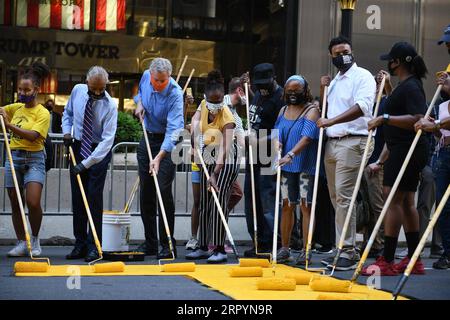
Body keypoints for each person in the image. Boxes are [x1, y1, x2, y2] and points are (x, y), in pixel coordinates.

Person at [362, 42, 429, 276]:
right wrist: (389, 90)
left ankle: (387, 259)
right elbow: (402, 108)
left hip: (406, 149)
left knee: (393, 200)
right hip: (403, 148)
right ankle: (414, 258)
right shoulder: (405, 85)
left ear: (398, 62)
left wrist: (384, 118)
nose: (388, 64)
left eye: (390, 60)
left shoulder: (411, 87)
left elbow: (418, 118)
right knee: (407, 201)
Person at [317, 36, 376, 271]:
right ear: (332, 57)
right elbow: (328, 111)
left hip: (354, 141)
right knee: (337, 198)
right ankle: (342, 247)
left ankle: (349, 250)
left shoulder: (363, 76)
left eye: (346, 50)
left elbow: (362, 108)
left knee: (344, 197)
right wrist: (324, 89)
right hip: (333, 142)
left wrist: (331, 120)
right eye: (338, 52)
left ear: (352, 51)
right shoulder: (335, 82)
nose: (343, 55)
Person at [63, 66, 118, 262]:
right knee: (78, 198)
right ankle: (79, 244)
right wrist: (66, 131)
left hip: (98, 152)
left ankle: (94, 244)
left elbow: (107, 141)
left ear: (106, 85)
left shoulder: (110, 106)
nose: (96, 93)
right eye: (93, 88)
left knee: (93, 198)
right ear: (87, 82)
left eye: (101, 89)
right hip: (78, 146)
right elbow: (67, 113)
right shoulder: (77, 91)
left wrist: (86, 164)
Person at [186, 70, 239, 263]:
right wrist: (193, 134)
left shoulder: (227, 116)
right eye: (212, 101)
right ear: (206, 96)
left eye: (218, 102)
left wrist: (215, 174)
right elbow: (195, 119)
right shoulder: (203, 104)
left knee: (218, 202)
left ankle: (219, 249)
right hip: (206, 157)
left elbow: (225, 150)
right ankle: (202, 246)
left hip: (225, 162)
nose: (215, 106)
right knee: (205, 204)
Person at [134, 58, 184, 259]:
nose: (158, 84)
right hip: (147, 138)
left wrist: (159, 156)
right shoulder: (146, 76)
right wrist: (138, 104)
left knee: (162, 190)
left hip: (168, 144)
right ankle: (151, 243)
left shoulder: (175, 94)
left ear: (169, 77)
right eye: (156, 80)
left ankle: (167, 244)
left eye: (163, 81)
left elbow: (174, 130)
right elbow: (139, 93)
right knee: (146, 192)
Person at [1, 62, 50, 257]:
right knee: (15, 202)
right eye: (20, 89)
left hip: (34, 159)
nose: (22, 92)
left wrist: (9, 126)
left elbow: (33, 135)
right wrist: (3, 113)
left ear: (36, 90)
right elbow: (2, 110)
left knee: (33, 201)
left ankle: (35, 239)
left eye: (26, 89)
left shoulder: (43, 113)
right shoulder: (16, 108)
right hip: (13, 158)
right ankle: (22, 242)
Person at [273, 75, 320, 265]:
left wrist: (291, 154)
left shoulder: (312, 110)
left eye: (297, 90)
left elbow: (308, 137)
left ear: (305, 90)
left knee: (305, 205)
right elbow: (277, 132)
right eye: (289, 91)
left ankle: (306, 250)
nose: (293, 94)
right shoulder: (283, 110)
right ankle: (285, 248)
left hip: (305, 165)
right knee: (286, 205)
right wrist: (277, 145)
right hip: (286, 165)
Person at [244, 63, 284, 257]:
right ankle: (258, 241)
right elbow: (257, 114)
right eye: (257, 84)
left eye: (264, 83)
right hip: (254, 153)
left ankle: (272, 242)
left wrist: (259, 139)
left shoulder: (281, 98)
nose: (261, 88)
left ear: (274, 78)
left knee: (267, 199)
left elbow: (281, 130)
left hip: (270, 154)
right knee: (252, 198)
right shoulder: (258, 93)